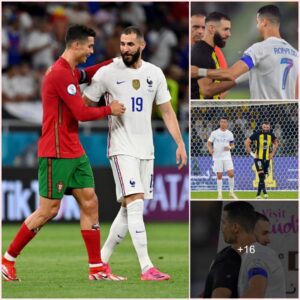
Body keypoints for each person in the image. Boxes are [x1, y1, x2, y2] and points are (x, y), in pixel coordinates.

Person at [2, 24, 126, 282]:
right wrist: (109, 109)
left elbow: (88, 73)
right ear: (76, 45)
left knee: (90, 201)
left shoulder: (69, 71)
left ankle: (96, 268)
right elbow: (80, 112)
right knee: (48, 210)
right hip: (55, 150)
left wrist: (113, 62)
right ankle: (7, 260)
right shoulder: (59, 74)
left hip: (73, 149)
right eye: (90, 46)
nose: (92, 51)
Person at [83, 26, 187, 281]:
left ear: (142, 45)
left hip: (146, 150)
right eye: (122, 44)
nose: (125, 49)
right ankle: (146, 268)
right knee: (136, 203)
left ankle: (100, 264)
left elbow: (167, 111)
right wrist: (106, 109)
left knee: (129, 210)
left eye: (130, 44)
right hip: (121, 148)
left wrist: (180, 143)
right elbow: (84, 104)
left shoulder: (155, 73)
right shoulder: (108, 72)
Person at [191, 5, 299, 99]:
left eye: (257, 23)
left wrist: (199, 71)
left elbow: (231, 74)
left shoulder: (259, 49)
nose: (257, 27)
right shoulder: (296, 54)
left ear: (264, 23)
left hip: (264, 114)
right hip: (287, 117)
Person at [191, 12, 235, 99]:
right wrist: (237, 79)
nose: (229, 34)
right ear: (211, 28)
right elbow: (206, 90)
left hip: (208, 110)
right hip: (200, 111)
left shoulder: (211, 51)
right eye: (225, 29)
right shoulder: (201, 52)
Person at [245, 121, 279, 199]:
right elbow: (246, 142)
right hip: (258, 158)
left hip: (267, 159)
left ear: (269, 127)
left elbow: (276, 143)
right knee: (261, 175)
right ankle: (263, 193)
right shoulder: (257, 134)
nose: (266, 128)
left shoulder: (271, 135)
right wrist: (252, 154)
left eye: (267, 127)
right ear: (262, 127)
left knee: (262, 177)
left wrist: (272, 153)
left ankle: (260, 194)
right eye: (264, 127)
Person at [207, 117, 238, 200]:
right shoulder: (214, 133)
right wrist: (210, 149)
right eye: (222, 122)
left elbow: (233, 145)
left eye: (225, 122)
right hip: (217, 157)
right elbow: (209, 143)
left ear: (227, 123)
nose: (223, 123)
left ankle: (231, 192)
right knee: (219, 175)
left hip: (227, 156)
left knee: (231, 173)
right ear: (219, 123)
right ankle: (220, 194)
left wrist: (230, 147)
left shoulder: (230, 133)